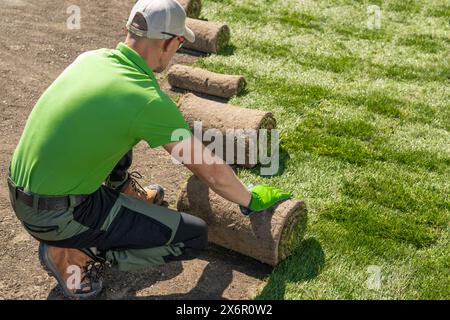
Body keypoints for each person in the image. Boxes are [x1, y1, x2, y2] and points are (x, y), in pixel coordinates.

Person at [7, 0, 291, 299]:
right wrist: (248, 198)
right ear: (170, 42)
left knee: (114, 131)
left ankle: (119, 194)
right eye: (180, 43)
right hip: (58, 215)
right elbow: (209, 170)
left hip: (21, 187)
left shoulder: (91, 58)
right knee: (193, 237)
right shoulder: (148, 100)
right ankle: (74, 252)